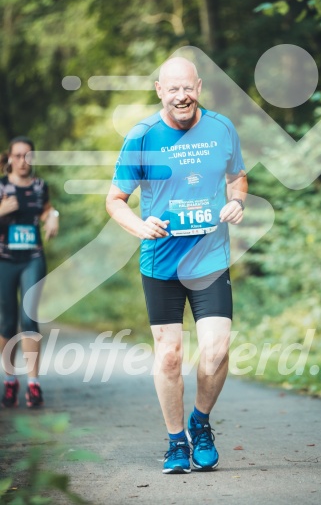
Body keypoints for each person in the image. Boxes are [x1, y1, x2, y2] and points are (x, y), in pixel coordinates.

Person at [106, 57, 247, 474]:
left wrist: (236, 200)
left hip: (210, 259)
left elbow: (237, 176)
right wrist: (138, 224)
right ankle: (176, 443)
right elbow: (115, 200)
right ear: (159, 90)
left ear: (199, 87)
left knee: (217, 351)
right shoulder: (142, 137)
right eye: (173, 89)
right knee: (169, 357)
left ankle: (200, 423)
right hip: (161, 263)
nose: (181, 96)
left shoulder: (221, 128)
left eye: (188, 88)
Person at [0, 136, 59, 408]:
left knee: (29, 318)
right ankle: (10, 381)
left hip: (33, 258)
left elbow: (46, 209)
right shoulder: (1, 187)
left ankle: (34, 385)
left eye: (28, 156)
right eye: (18, 155)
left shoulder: (39, 186)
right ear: (9, 158)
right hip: (4, 260)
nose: (24, 161)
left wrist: (53, 217)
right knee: (6, 323)